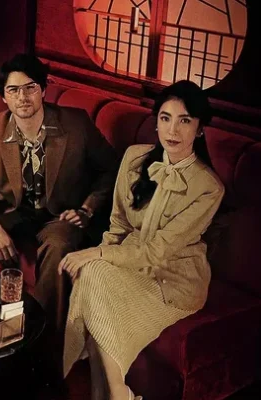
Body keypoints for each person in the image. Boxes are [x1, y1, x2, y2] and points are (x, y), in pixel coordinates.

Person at [59, 81, 224, 400]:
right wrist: (102, 254)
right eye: (165, 118)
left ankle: (113, 393)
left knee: (93, 274)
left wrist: (98, 255)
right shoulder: (134, 158)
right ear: (156, 121)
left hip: (174, 282)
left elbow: (158, 250)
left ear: (200, 128)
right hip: (130, 264)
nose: (172, 130)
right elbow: (119, 224)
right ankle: (113, 393)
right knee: (93, 276)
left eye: (185, 120)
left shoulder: (209, 187)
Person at [0, 54, 118, 341]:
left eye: (30, 88)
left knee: (59, 246)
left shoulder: (76, 124)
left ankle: (42, 339)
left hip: (59, 215)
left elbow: (111, 170)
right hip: (13, 211)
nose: (22, 97)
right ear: (3, 97)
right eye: (13, 90)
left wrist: (87, 208)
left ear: (43, 90)